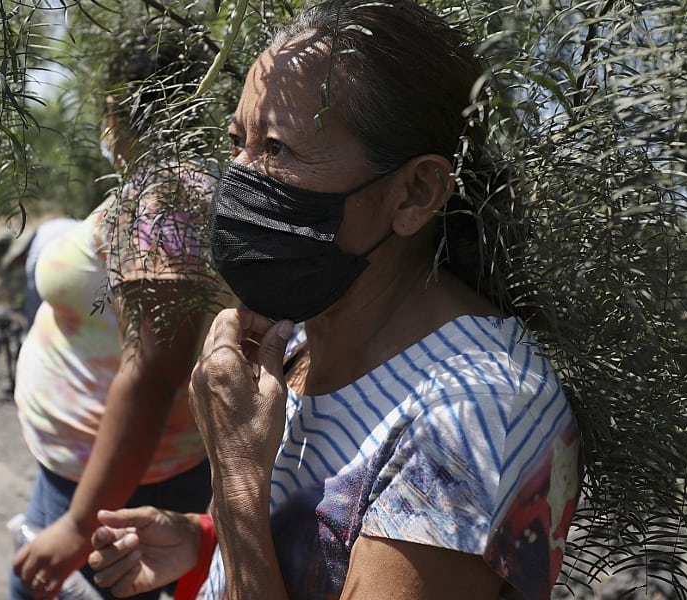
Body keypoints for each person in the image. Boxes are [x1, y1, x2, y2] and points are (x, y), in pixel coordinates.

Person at [88, 1, 581, 599]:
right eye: (238, 141)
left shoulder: (476, 416)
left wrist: (237, 483)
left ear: (414, 193)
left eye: (278, 150)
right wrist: (206, 545)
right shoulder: (308, 329)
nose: (240, 180)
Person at [9, 28, 218, 600]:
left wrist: (80, 525)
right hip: (105, 472)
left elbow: (152, 374)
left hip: (113, 483)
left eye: (108, 111)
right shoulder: (178, 188)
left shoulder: (164, 201)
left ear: (125, 111)